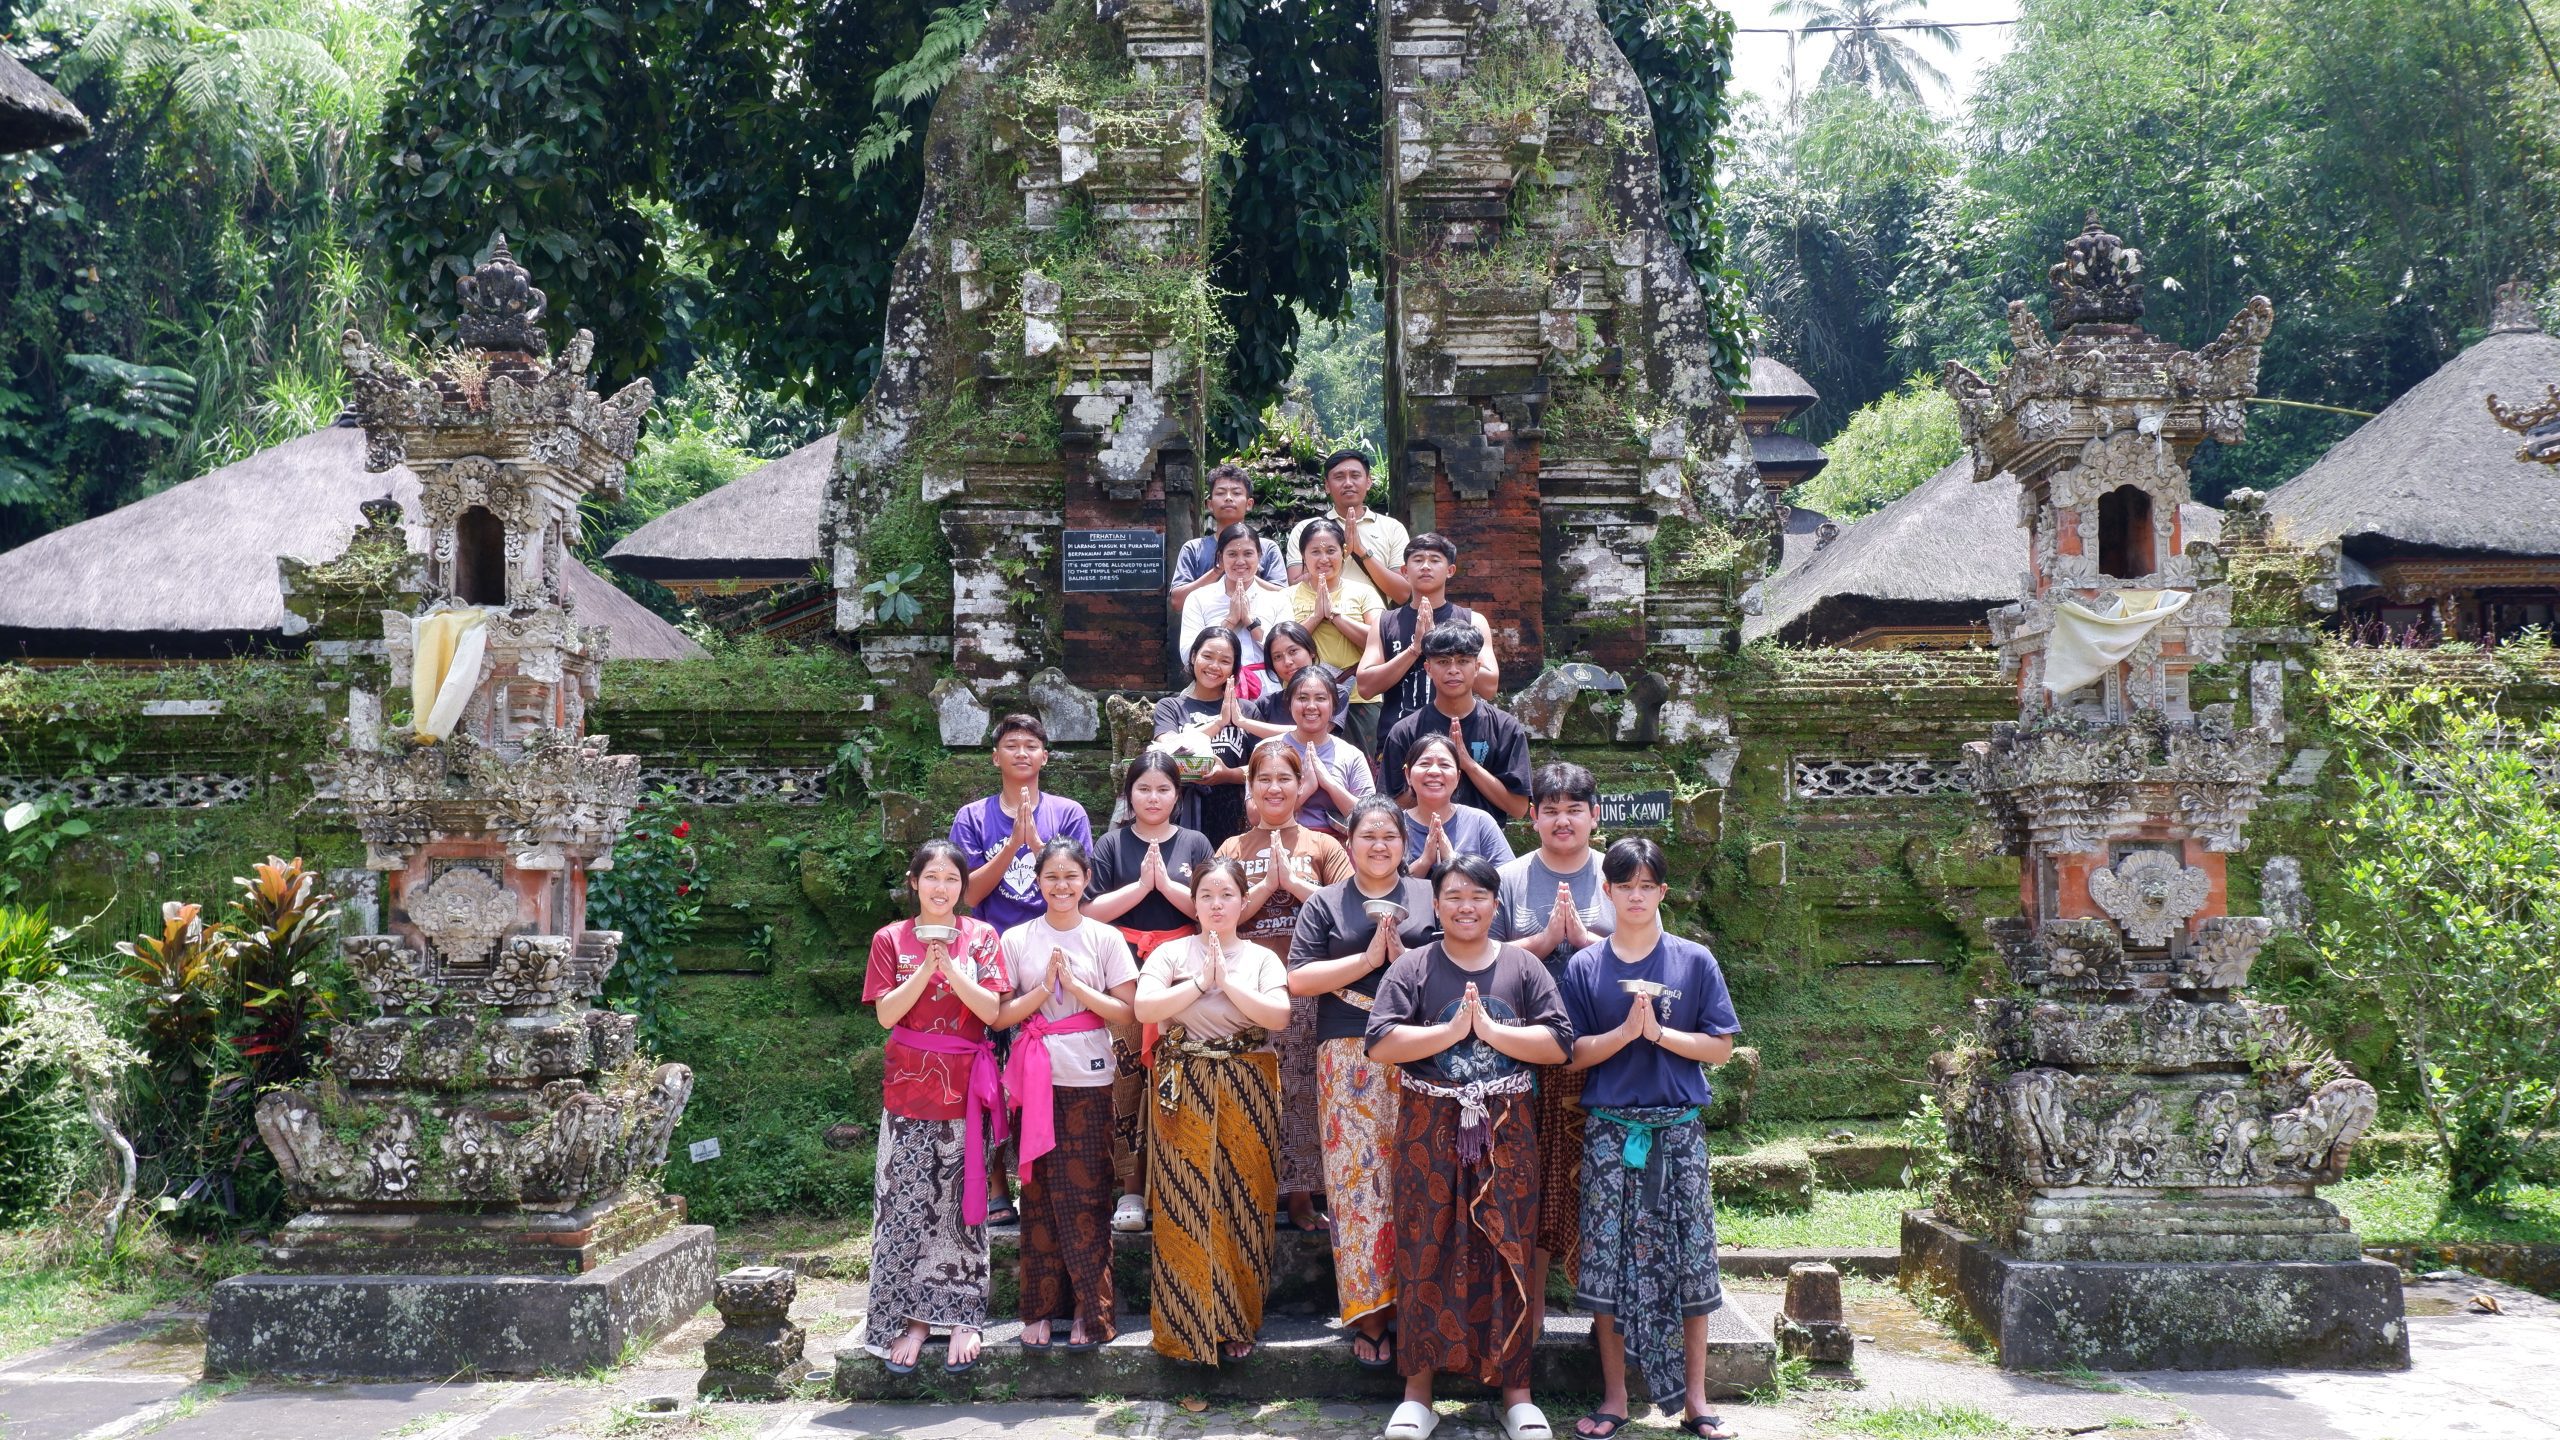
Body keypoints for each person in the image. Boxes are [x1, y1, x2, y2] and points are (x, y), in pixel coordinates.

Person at [1366, 854, 1574, 1440]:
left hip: (1508, 1130)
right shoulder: (1413, 966)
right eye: (1454, 895)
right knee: (1424, 1243)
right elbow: (1379, 1041)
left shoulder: (1522, 967)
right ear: (1436, 904)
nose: (1466, 906)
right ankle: (1417, 1394)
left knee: (1509, 1247)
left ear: (1495, 904)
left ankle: (1516, 1393)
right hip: (1427, 1127)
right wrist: (1448, 1035)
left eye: (1478, 897)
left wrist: (1490, 1033)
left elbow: (1559, 1042)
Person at [1561, 838, 1741, 1440]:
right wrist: (1624, 1033)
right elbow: (1570, 1057)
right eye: (1624, 886)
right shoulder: (1586, 967)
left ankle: (1696, 1399)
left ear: (1662, 892)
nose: (1635, 896)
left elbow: (1719, 1046)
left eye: (1646, 886)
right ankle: (1615, 1398)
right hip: (1611, 1134)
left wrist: (1659, 1035)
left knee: (1692, 1261)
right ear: (1606, 892)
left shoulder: (1693, 961)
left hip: (1679, 1133)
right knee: (1607, 1265)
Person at [1285, 795, 1440, 1370]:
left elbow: (1460, 955)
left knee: (1420, 1176)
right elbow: (1300, 979)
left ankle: (1419, 1309)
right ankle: (1370, 1315)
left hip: (1425, 1050)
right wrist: (1369, 957)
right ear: (1349, 844)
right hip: (1348, 1050)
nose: (1379, 845)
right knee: (1355, 1187)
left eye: (1390, 836)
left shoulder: (1428, 894)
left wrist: (1406, 963)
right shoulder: (1327, 902)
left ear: (1407, 843)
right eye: (1368, 835)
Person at [1133, 858, 1294, 1365]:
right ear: (1193, 903)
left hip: (1249, 1082)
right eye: (1207, 895)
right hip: (1184, 1085)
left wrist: (1228, 979)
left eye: (1227, 895)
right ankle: (1185, 1326)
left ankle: (1235, 1320)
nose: (1217, 904)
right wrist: (1201, 982)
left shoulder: (1262, 959)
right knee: (1184, 1199)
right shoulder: (1170, 954)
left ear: (1244, 902)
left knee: (1244, 1197)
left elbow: (1279, 1016)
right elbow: (1145, 1009)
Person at [862, 841, 1012, 1376]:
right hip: (907, 1092)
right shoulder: (890, 939)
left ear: (962, 887)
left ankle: (964, 1316)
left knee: (962, 1206)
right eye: (932, 877)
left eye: (952, 878)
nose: (941, 887)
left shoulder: (983, 937)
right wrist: (925, 970)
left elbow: (993, 1011)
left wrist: (952, 964)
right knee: (902, 1204)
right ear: (914, 882)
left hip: (966, 1091)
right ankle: (909, 1317)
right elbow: (885, 1015)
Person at [997, 840, 1139, 1352]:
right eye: (1052, 877)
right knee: (1035, 1193)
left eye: (1071, 877)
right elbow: (999, 1015)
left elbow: (1129, 1011)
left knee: (1085, 1194)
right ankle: (1038, 1306)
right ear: (1037, 881)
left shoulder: (1104, 938)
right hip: (1034, 1077)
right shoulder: (1015, 939)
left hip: (1089, 1075)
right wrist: (1041, 993)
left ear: (1085, 881)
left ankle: (1089, 1307)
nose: (1061, 886)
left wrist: (1076, 989)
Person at [950, 713, 1092, 1226]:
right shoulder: (972, 817)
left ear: (1045, 757)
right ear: (996, 757)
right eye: (1012, 746)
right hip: (993, 951)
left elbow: (1074, 883)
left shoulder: (1068, 812)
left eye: (1032, 746)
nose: (1022, 754)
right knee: (991, 1070)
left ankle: (1051, 1179)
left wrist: (1036, 847)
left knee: (1056, 1073)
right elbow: (968, 894)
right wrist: (1012, 843)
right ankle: (994, 1184)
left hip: (1055, 944)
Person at [1497, 762, 1615, 1325]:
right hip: (1528, 1050)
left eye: (1574, 809)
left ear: (1595, 815)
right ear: (1533, 818)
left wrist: (1586, 941)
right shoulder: (1514, 878)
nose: (1562, 820)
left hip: (1603, 1051)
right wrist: (1544, 942)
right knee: (1532, 1173)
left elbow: (1644, 956)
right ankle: (1534, 1309)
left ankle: (1603, 1314)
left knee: (1596, 1176)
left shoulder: (1618, 875)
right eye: (1550, 810)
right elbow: (1485, 961)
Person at [1218, 739, 1351, 1232]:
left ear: (1301, 787)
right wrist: (1262, 889)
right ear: (1250, 789)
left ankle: (1300, 1194)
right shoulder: (1233, 849)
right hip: (1245, 987)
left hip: (1307, 988)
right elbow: (1215, 913)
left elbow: (1346, 912)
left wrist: (1293, 885)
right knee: (1254, 1087)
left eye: (1284, 779)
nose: (1274, 788)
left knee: (1300, 1093)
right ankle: (1253, 1187)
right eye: (1264, 780)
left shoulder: (1324, 845)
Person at [1083, 752, 1215, 1232]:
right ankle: (1131, 1189)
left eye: (1163, 789)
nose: (1153, 798)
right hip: (1123, 970)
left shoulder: (1195, 842)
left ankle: (1181, 1180)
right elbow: (1090, 910)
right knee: (1126, 1079)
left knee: (1180, 1070)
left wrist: (1164, 883)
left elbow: (1212, 905)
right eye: (1144, 789)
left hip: (1183, 970)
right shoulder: (1112, 844)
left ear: (1178, 796)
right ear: (1129, 794)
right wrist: (1142, 887)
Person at [1357, 533, 1499, 751]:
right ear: (1404, 571)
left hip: (1458, 740)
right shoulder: (1385, 622)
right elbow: (1366, 686)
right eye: (1417, 560)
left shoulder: (1472, 621)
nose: (1425, 566)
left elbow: (1489, 686)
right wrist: (1415, 649)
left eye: (1434, 560)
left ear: (1450, 570)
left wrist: (1438, 647)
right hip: (1398, 739)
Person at [1377, 622, 1532, 821]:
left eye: (1463, 661)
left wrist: (1468, 765)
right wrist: (1432, 779)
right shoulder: (1405, 731)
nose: (1453, 670)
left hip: (1482, 844)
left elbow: (1519, 808)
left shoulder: (1504, 728)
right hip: (1418, 841)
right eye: (1442, 662)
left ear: (1476, 668)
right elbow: (1388, 806)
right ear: (1428, 669)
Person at [1284, 516, 1385, 751]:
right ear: (1302, 556)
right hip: (1302, 700)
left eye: (1331, 550)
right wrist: (1316, 616)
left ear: (1344, 553)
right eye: (1315, 552)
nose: (1324, 559)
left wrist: (1337, 617)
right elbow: (1280, 648)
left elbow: (1379, 639)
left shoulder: (1364, 592)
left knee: (1362, 774)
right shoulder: (1286, 596)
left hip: (1359, 698)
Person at [1151, 628, 1254, 846]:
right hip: (1180, 810)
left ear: (1234, 668)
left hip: (1233, 813)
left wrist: (1227, 775)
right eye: (1207, 656)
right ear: (1193, 656)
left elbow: (1261, 767)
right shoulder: (1170, 707)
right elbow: (1168, 749)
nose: (1214, 666)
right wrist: (1218, 723)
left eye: (1225, 660)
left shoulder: (1246, 711)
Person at [1288, 449, 1413, 607]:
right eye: (1339, 477)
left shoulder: (1392, 528)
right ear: (1327, 485)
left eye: (1355, 476)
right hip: (1319, 622)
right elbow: (1294, 587)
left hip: (1373, 624)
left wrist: (1361, 551)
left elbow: (1402, 594)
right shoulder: (1305, 530)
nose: (1348, 483)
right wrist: (1343, 553)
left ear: (1368, 482)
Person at [1177, 523, 1288, 692]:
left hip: (1267, 691)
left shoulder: (1278, 599)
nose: (1240, 561)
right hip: (1212, 688)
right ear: (1220, 558)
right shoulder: (1199, 598)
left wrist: (1251, 623)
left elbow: (1287, 653)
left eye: (1248, 554)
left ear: (1259, 556)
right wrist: (1229, 622)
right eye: (1232, 554)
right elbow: (1188, 655)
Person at [1169, 462, 1287, 613]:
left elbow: (1284, 598)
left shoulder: (1267, 548)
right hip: (1206, 631)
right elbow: (1177, 602)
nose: (1228, 498)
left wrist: (1246, 573)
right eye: (1221, 493)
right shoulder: (1194, 549)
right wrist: (1218, 570)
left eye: (1236, 493)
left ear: (1249, 504)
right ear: (1209, 504)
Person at [1275, 666, 1373, 836]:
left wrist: (1329, 783)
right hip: (1281, 845)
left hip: (1339, 850)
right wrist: (1307, 788)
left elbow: (1371, 819)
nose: (1311, 706)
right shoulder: (1269, 750)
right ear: (1289, 703)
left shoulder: (1351, 755)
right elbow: (1255, 816)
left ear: (1334, 706)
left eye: (1320, 698)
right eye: (1302, 698)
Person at [1401, 732, 1517, 877]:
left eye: (1444, 764)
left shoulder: (1480, 822)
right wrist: (1424, 861)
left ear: (1457, 777)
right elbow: (1384, 888)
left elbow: (1508, 883)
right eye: (1424, 764)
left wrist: (1451, 858)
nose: (1434, 771)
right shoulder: (1395, 825)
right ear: (1408, 775)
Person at [1241, 619, 1348, 737]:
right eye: (1277, 657)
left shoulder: (1336, 693)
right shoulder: (1266, 704)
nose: (1287, 662)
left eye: (1293, 651)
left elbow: (1314, 734)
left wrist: (1246, 723)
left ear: (1311, 651)